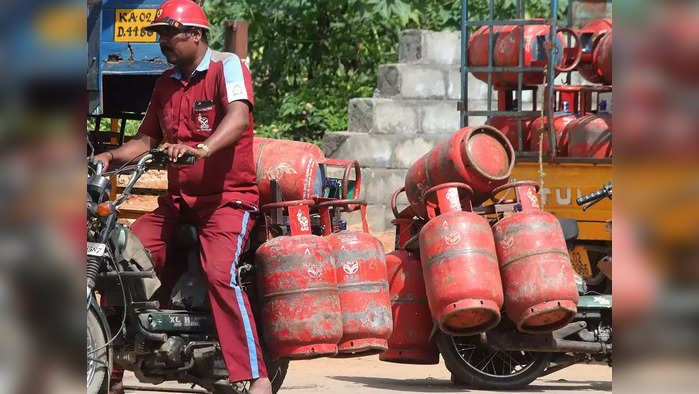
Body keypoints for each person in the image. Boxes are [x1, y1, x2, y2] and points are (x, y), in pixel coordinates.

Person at [94, 1, 271, 393]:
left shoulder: (227, 67)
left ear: (195, 34)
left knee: (220, 275)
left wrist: (203, 149)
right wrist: (107, 157)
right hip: (177, 203)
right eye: (159, 34)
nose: (161, 41)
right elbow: (145, 139)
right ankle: (109, 371)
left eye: (168, 33)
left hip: (228, 200)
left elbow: (239, 117)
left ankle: (256, 376)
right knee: (118, 261)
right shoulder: (166, 82)